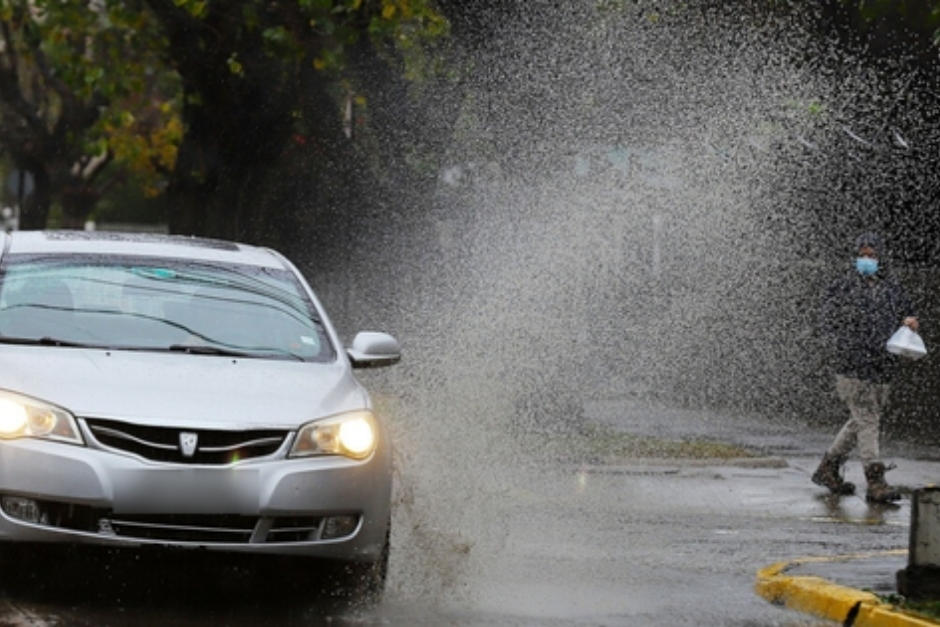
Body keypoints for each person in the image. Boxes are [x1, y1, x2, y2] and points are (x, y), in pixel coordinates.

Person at [813, 232, 919, 503]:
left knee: (860, 420)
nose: (867, 260)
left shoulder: (891, 289)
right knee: (868, 419)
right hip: (853, 366)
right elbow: (827, 322)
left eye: (872, 255)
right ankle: (875, 480)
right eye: (863, 255)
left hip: (881, 366)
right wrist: (845, 346)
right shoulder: (843, 288)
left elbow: (907, 314)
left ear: (881, 258)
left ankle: (828, 467)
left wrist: (910, 322)